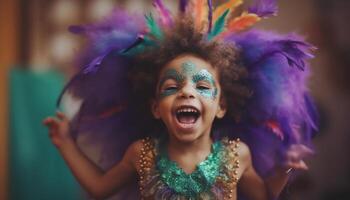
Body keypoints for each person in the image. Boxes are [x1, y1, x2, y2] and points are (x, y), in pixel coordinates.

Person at [44, 0, 317, 199]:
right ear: (155, 108)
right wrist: (66, 143)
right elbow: (99, 188)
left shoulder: (237, 155)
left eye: (201, 86)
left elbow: (264, 197)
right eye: (172, 86)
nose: (187, 92)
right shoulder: (142, 154)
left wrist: (283, 170)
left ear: (221, 106)